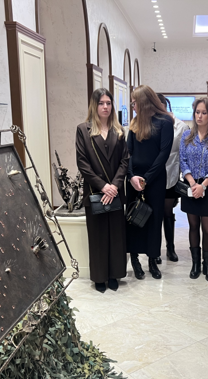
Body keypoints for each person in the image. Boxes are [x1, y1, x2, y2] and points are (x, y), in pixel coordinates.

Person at [75, 88, 129, 293]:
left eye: (108, 103)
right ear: (94, 105)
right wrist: (103, 186)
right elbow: (82, 163)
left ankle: (114, 275)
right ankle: (99, 277)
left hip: (115, 192)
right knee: (98, 236)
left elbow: (125, 161)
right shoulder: (83, 130)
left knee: (116, 235)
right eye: (101, 103)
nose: (105, 107)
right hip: (95, 191)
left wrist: (114, 185)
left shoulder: (119, 130)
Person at [127, 85, 174, 280]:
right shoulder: (135, 122)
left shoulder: (165, 121)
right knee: (134, 219)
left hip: (155, 180)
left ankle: (153, 259)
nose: (133, 106)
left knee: (154, 220)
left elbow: (164, 154)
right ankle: (135, 259)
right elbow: (128, 153)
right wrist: (131, 176)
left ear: (144, 102)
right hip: (134, 180)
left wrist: (147, 178)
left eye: (135, 102)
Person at [179, 97, 208, 282]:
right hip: (191, 186)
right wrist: (192, 184)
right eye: (197, 112)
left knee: (207, 229)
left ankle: (207, 265)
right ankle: (195, 264)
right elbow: (183, 161)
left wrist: (203, 186)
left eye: (204, 113)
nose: (199, 116)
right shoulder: (186, 136)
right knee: (193, 226)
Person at [155, 93, 190, 263]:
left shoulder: (181, 126)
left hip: (171, 174)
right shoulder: (151, 124)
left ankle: (170, 247)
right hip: (154, 174)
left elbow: (184, 153)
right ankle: (154, 250)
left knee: (168, 211)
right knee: (155, 212)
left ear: (164, 105)